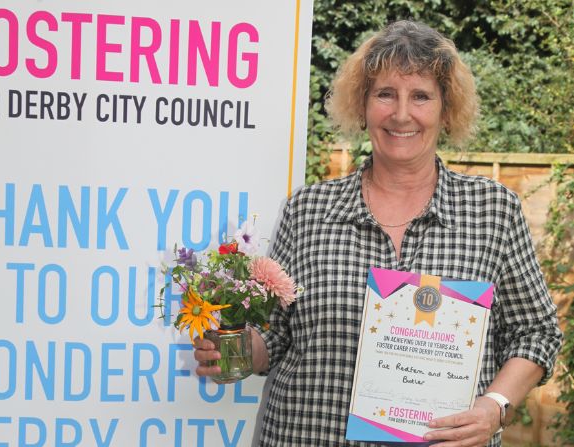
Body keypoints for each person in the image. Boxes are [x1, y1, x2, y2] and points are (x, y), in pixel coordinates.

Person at [194, 20, 563, 446]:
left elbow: (536, 332)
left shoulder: (492, 211)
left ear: (446, 110)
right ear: (363, 105)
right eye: (385, 94)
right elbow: (275, 335)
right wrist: (232, 350)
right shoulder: (309, 210)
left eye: (421, 96)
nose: (401, 114)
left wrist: (494, 405)